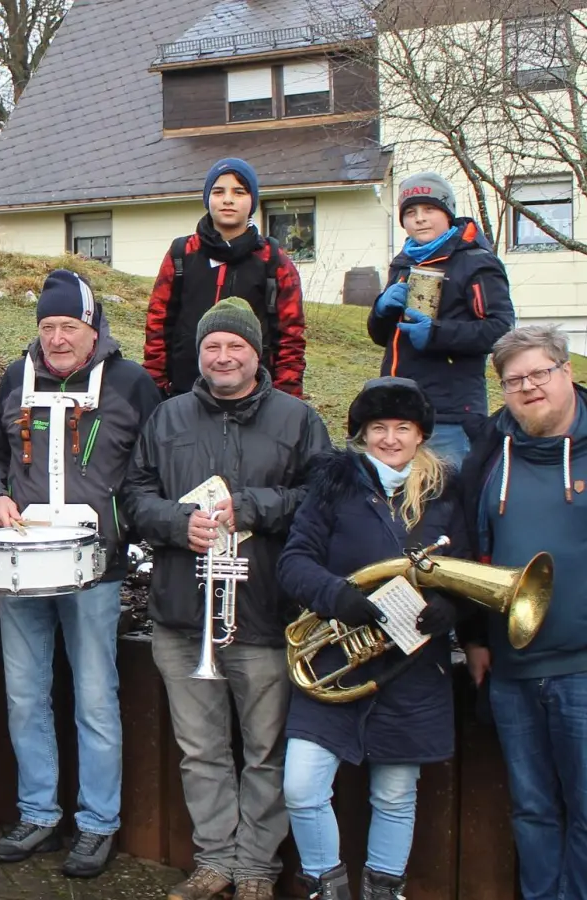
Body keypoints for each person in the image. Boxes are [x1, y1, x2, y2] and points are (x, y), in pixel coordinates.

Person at [122, 297, 331, 900]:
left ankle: (257, 869)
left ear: (255, 353)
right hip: (185, 616)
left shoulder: (297, 420)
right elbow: (134, 496)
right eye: (212, 346)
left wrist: (255, 507)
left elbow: (324, 498)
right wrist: (175, 521)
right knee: (201, 751)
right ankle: (215, 861)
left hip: (265, 614)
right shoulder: (167, 419)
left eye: (234, 345)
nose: (222, 356)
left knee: (267, 754)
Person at [0, 270, 163, 876]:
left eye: (69, 327)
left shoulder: (132, 384)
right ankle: (37, 813)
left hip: (96, 567)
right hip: (23, 562)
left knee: (94, 697)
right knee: (25, 694)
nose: (57, 338)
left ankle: (98, 823)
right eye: (48, 326)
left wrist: (129, 533)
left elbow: (151, 471)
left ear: (93, 328)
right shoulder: (14, 377)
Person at [277, 377, 468, 900]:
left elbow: (465, 571)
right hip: (337, 659)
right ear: (362, 433)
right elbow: (294, 562)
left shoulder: (446, 491)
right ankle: (326, 886)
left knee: (396, 793)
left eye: (402, 427)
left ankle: (385, 891)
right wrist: (336, 596)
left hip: (411, 667)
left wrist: (451, 608)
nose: (389, 438)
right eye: (377, 427)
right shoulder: (333, 485)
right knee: (301, 786)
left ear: (420, 434)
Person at [457, 325, 587, 898]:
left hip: (584, 668)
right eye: (514, 381)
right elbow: (465, 548)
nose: (529, 388)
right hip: (511, 669)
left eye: (540, 374)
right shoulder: (487, 451)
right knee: (531, 809)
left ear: (566, 372)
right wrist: (476, 639)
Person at [367, 172, 514, 468]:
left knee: (451, 502)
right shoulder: (404, 261)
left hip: (451, 413)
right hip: (399, 407)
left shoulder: (476, 262)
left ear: (447, 213)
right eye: (410, 212)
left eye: (429, 209)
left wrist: (436, 335)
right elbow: (384, 337)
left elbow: (500, 330)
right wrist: (381, 310)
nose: (419, 219)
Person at [143, 158, 306, 399]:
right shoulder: (181, 254)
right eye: (219, 192)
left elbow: (291, 337)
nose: (228, 199)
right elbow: (157, 325)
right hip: (184, 394)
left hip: (255, 398)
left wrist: (286, 400)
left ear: (252, 201)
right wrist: (155, 387)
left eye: (239, 192)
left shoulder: (273, 261)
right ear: (207, 198)